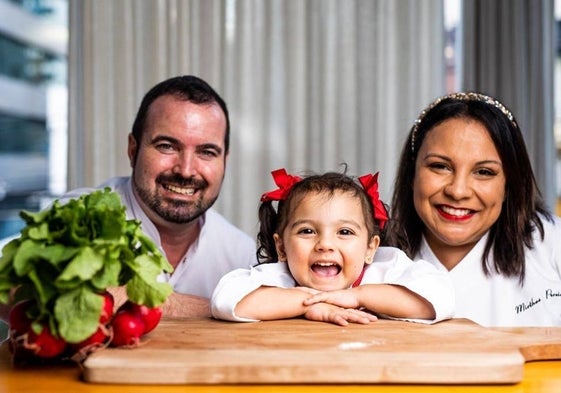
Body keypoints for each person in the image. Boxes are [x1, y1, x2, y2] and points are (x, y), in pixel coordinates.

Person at [1, 75, 257, 320]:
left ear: (225, 160)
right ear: (133, 150)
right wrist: (223, 308)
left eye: (207, 152)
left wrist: (125, 297)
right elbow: (14, 292)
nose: (186, 170)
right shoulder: (77, 215)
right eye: (166, 146)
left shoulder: (242, 256)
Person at [385, 92, 561, 327]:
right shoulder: (369, 256)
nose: (458, 191)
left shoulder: (553, 247)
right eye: (440, 166)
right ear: (412, 173)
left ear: (509, 184)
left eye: (484, 172)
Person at [211, 168, 455, 326]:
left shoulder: (386, 267)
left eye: (344, 232)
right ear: (282, 247)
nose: (325, 244)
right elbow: (225, 300)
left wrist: (355, 296)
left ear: (371, 248)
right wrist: (311, 304)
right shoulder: (278, 276)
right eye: (307, 231)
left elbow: (442, 298)